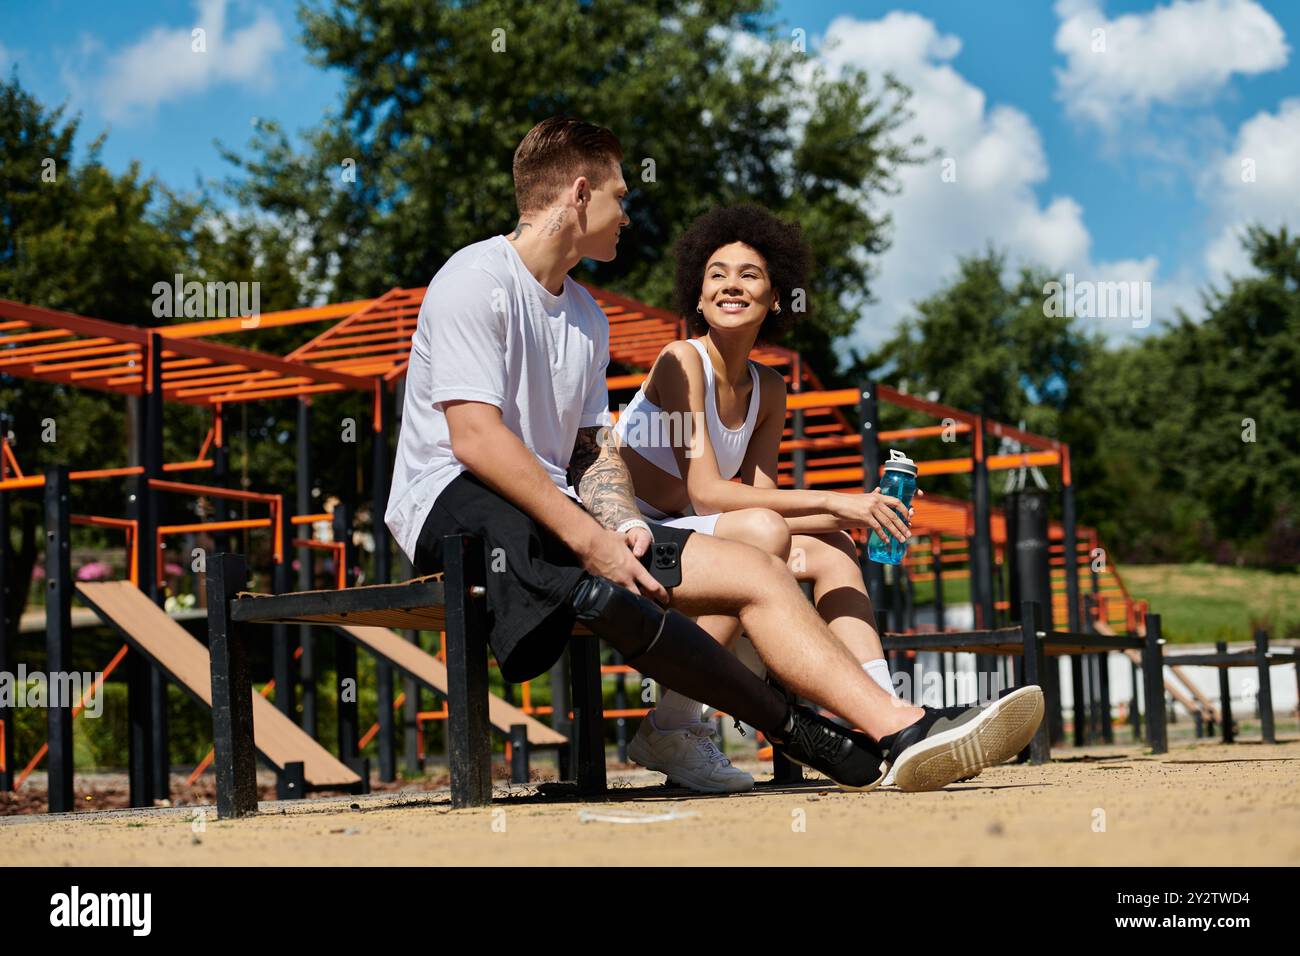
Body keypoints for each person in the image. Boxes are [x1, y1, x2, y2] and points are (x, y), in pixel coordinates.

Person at [385, 117, 1044, 794]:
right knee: (735, 541)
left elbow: (592, 451)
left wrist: (619, 523)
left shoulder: (586, 314)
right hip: (455, 504)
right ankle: (712, 729)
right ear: (579, 195)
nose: (628, 214)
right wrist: (594, 537)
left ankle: (900, 728)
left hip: (561, 512)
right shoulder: (474, 277)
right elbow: (476, 439)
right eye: (620, 195)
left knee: (758, 567)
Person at [615, 204, 942, 791]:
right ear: (697, 295)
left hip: (696, 532)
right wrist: (841, 499)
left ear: (775, 299)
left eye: (750, 274)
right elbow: (710, 492)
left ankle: (885, 720)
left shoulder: (770, 387)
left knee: (834, 545)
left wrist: (853, 514)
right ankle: (672, 724)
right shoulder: (680, 360)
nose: (731, 284)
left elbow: (760, 498)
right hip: (628, 534)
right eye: (716, 273)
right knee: (768, 534)